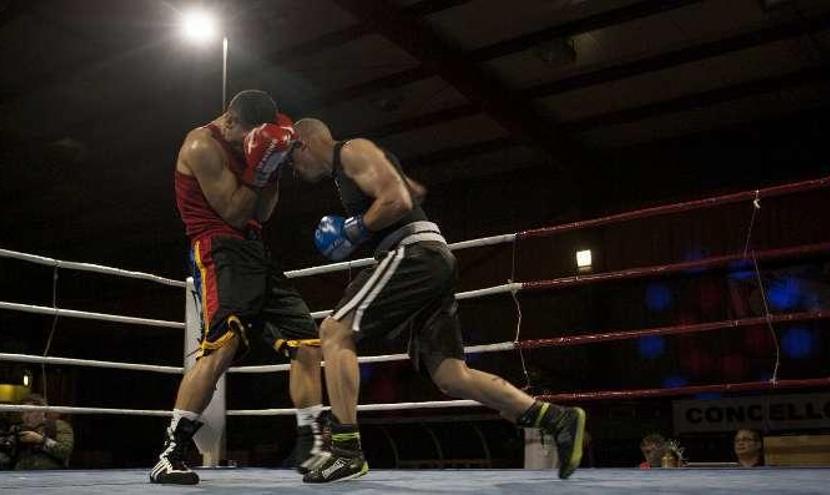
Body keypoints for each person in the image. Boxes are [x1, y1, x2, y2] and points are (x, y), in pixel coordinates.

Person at [289, 118, 587, 483]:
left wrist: (356, 228)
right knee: (450, 375)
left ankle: (346, 451)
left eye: (292, 159)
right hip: (429, 258)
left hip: (413, 252)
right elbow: (410, 190)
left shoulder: (351, 150)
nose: (294, 169)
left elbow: (398, 199)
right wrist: (388, 192)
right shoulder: (352, 165)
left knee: (334, 331)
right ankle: (554, 418)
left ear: (302, 143)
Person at [151, 90, 325, 484]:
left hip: (254, 250)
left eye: (255, 141)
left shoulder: (256, 144)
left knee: (306, 341)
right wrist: (259, 168)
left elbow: (260, 212)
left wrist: (273, 167)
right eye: (243, 138)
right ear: (229, 121)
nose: (246, 145)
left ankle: (312, 445)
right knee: (221, 346)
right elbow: (231, 211)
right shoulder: (201, 144)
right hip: (217, 248)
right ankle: (170, 453)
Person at [14, 394, 74, 470]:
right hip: (21, 474)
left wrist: (41, 440)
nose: (25, 416)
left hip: (50, 474)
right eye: (22, 413)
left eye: (30, 412)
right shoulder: (18, 428)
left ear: (42, 411)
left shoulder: (58, 426)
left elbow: (64, 451)